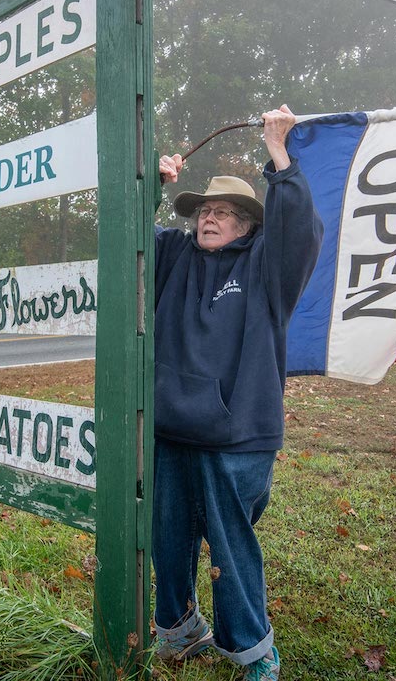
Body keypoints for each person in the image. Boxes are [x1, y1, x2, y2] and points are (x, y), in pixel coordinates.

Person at [152, 104, 324, 681]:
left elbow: (299, 231)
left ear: (249, 225)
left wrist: (282, 159)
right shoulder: (172, 258)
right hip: (171, 426)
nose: (209, 219)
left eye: (224, 213)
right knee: (168, 535)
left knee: (230, 545)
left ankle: (251, 650)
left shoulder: (265, 269)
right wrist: (151, 184)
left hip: (237, 432)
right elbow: (121, 237)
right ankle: (177, 630)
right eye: (204, 210)